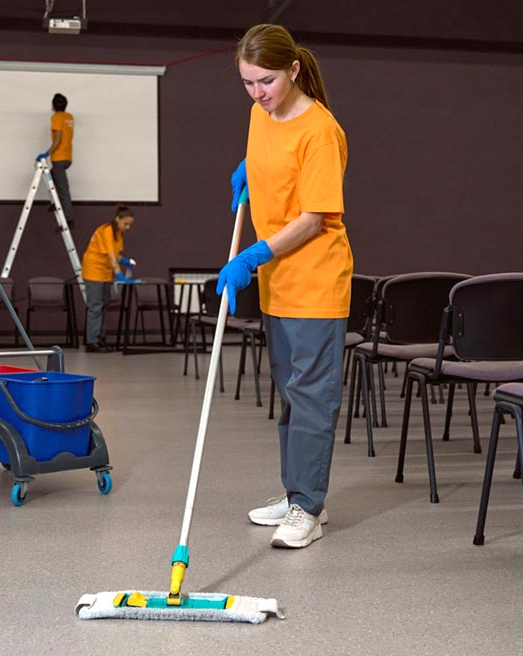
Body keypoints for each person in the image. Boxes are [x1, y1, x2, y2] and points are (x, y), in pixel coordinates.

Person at [218, 24, 352, 549]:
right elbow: (270, 154)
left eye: (266, 81)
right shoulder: (260, 114)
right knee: (291, 399)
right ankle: (295, 492)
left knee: (313, 398)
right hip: (278, 281)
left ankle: (310, 508)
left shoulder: (321, 130)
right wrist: (250, 168)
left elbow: (315, 218)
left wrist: (252, 254)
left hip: (315, 280)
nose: (258, 93)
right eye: (248, 83)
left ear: (294, 69)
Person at [80, 205, 137, 353]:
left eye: (130, 224)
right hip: (93, 271)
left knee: (104, 305)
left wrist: (125, 262)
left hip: (104, 272)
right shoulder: (107, 231)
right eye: (126, 223)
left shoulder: (118, 233)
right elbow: (111, 257)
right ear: (117, 219)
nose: (128, 227)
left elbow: (116, 255)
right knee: (95, 306)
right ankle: (92, 341)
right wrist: (120, 276)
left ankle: (101, 338)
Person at [37, 93, 76, 229]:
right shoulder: (69, 117)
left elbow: (58, 139)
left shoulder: (56, 118)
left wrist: (47, 153)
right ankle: (57, 203)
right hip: (68, 157)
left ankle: (68, 220)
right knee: (53, 177)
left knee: (63, 188)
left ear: (53, 105)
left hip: (59, 158)